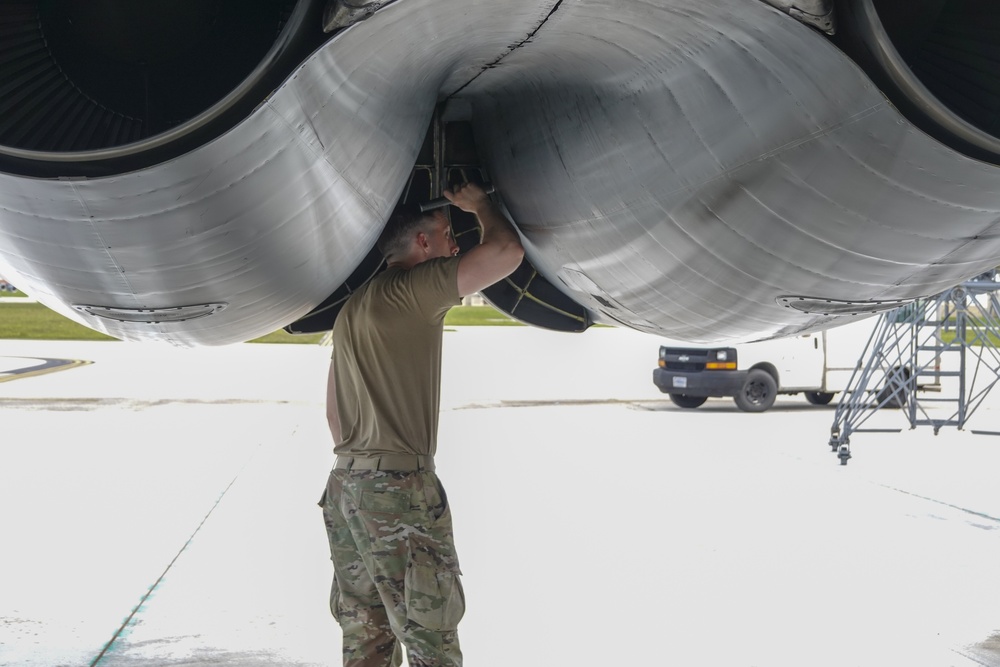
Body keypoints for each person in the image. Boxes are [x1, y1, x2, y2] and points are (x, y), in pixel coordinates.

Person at [320, 181, 524, 667]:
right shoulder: (414, 289)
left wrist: (365, 470)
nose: (455, 247)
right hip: (395, 488)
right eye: (448, 234)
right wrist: (480, 205)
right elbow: (506, 252)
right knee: (431, 636)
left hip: (346, 485)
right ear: (422, 242)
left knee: (366, 634)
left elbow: (333, 412)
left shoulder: (354, 308)